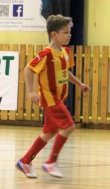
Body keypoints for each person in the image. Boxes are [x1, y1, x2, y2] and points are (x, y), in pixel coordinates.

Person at [16, 15, 90, 178]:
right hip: (50, 99)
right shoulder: (46, 54)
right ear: (54, 35)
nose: (69, 35)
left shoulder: (65, 52)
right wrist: (31, 91)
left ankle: (25, 161)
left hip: (59, 98)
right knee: (69, 126)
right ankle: (51, 162)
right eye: (65, 32)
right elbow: (28, 69)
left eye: (69, 32)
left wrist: (79, 84)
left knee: (48, 133)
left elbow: (66, 72)